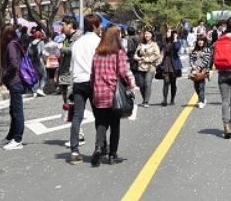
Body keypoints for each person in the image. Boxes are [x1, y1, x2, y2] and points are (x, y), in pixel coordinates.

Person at [89, 26, 136, 166]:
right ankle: (112, 154)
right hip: (113, 94)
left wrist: (93, 88)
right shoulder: (118, 53)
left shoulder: (97, 53)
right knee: (115, 124)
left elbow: (92, 74)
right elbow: (123, 72)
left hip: (98, 93)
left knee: (101, 123)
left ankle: (98, 147)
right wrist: (130, 84)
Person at [67, 13, 102, 165]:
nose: (101, 27)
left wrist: (71, 86)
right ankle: (100, 147)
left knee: (77, 117)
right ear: (94, 26)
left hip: (78, 82)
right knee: (99, 115)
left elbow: (72, 66)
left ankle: (74, 150)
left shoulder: (77, 43)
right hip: (94, 82)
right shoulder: (98, 42)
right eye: (99, 24)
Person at [0, 24, 25, 151]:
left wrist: (6, 75)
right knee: (13, 110)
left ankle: (17, 139)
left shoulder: (11, 45)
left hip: (15, 81)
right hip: (16, 81)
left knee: (17, 111)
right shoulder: (16, 43)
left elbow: (14, 64)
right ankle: (11, 136)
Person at [134, 29, 161, 108]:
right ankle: (144, 99)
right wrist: (139, 58)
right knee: (141, 84)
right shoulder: (141, 44)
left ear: (152, 35)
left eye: (148, 34)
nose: (146, 35)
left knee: (147, 83)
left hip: (150, 66)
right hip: (141, 66)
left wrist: (148, 59)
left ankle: (146, 101)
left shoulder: (154, 44)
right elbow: (135, 54)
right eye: (145, 34)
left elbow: (157, 55)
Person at [159, 30, 183, 106]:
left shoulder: (177, 42)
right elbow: (160, 51)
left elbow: (177, 48)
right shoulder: (164, 42)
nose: (168, 33)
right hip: (165, 63)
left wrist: (175, 39)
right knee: (166, 81)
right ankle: (164, 99)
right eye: (167, 32)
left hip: (174, 64)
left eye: (169, 32)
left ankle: (172, 99)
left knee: (173, 82)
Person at [189, 37, 212, 109]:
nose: (200, 42)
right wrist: (192, 65)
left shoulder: (207, 50)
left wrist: (199, 67)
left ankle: (201, 101)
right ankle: (202, 98)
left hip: (203, 71)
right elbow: (191, 59)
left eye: (202, 40)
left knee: (201, 86)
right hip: (195, 71)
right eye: (199, 40)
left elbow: (207, 60)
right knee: (196, 87)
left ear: (204, 42)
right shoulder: (195, 50)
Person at [29, 29, 47, 97]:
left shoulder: (31, 43)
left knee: (35, 75)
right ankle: (40, 89)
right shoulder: (41, 42)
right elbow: (43, 52)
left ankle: (34, 91)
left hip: (33, 61)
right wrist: (45, 59)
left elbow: (28, 53)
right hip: (39, 60)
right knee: (44, 75)